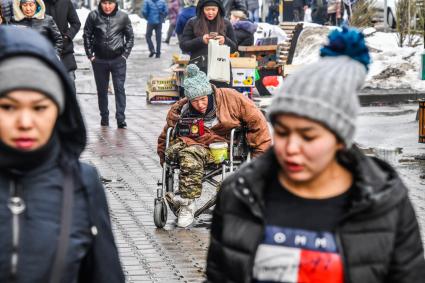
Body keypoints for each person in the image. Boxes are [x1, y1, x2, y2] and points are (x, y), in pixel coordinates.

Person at [205, 27, 425, 282]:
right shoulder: (240, 194)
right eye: (283, 132)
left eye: (308, 136)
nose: (291, 147)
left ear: (340, 139)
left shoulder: (384, 200)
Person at [0, 25, 125, 283]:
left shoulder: (82, 182)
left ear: (58, 110)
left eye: (39, 107)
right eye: (8, 107)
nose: (25, 122)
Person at [157, 64, 271, 228]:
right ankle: (186, 202)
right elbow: (166, 133)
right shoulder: (182, 109)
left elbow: (258, 123)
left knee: (190, 155)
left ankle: (187, 204)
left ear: (209, 94)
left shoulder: (230, 98)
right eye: (195, 101)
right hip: (190, 145)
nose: (200, 105)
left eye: (203, 99)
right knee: (178, 152)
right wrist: (163, 156)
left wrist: (259, 159)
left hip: (221, 147)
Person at [83, 0, 134, 129]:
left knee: (119, 89)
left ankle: (120, 118)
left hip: (118, 59)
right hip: (99, 60)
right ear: (100, 3)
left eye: (110, 3)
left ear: (115, 3)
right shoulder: (93, 16)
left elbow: (130, 37)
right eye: (104, 3)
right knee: (101, 90)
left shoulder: (123, 16)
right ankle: (104, 117)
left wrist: (125, 55)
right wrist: (90, 55)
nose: (107, 6)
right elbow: (87, 35)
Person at [179, 0, 237, 83]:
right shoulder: (192, 22)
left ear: (218, 9)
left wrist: (225, 40)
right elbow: (184, 45)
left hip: (221, 68)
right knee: (199, 95)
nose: (210, 12)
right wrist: (201, 40)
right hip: (198, 67)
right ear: (202, 9)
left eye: (213, 9)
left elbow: (234, 48)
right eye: (207, 9)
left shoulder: (226, 23)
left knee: (220, 94)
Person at [44, 0, 81, 89]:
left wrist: (67, 36)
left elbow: (76, 23)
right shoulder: (40, 2)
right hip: (47, 51)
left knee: (70, 82)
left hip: (65, 51)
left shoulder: (66, 2)